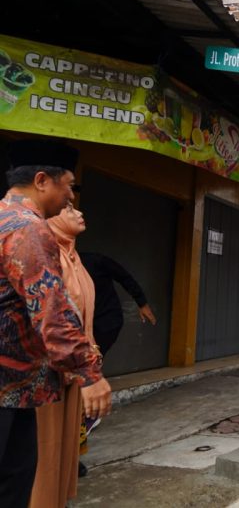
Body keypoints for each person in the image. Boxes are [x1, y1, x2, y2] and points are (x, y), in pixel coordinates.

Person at [0, 140, 110, 508]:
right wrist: (90, 375)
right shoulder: (29, 230)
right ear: (43, 180)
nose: (71, 197)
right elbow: (51, 310)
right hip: (8, 392)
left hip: (16, 390)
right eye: (69, 185)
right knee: (14, 487)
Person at [30, 204, 97, 506]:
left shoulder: (73, 256)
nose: (78, 211)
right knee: (43, 450)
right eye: (69, 208)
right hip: (44, 373)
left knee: (63, 450)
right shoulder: (44, 253)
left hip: (72, 371)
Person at [80, 252, 156, 356]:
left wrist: (142, 303)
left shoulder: (96, 261)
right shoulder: (57, 269)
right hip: (78, 323)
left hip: (106, 320)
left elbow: (124, 277)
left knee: (90, 358)